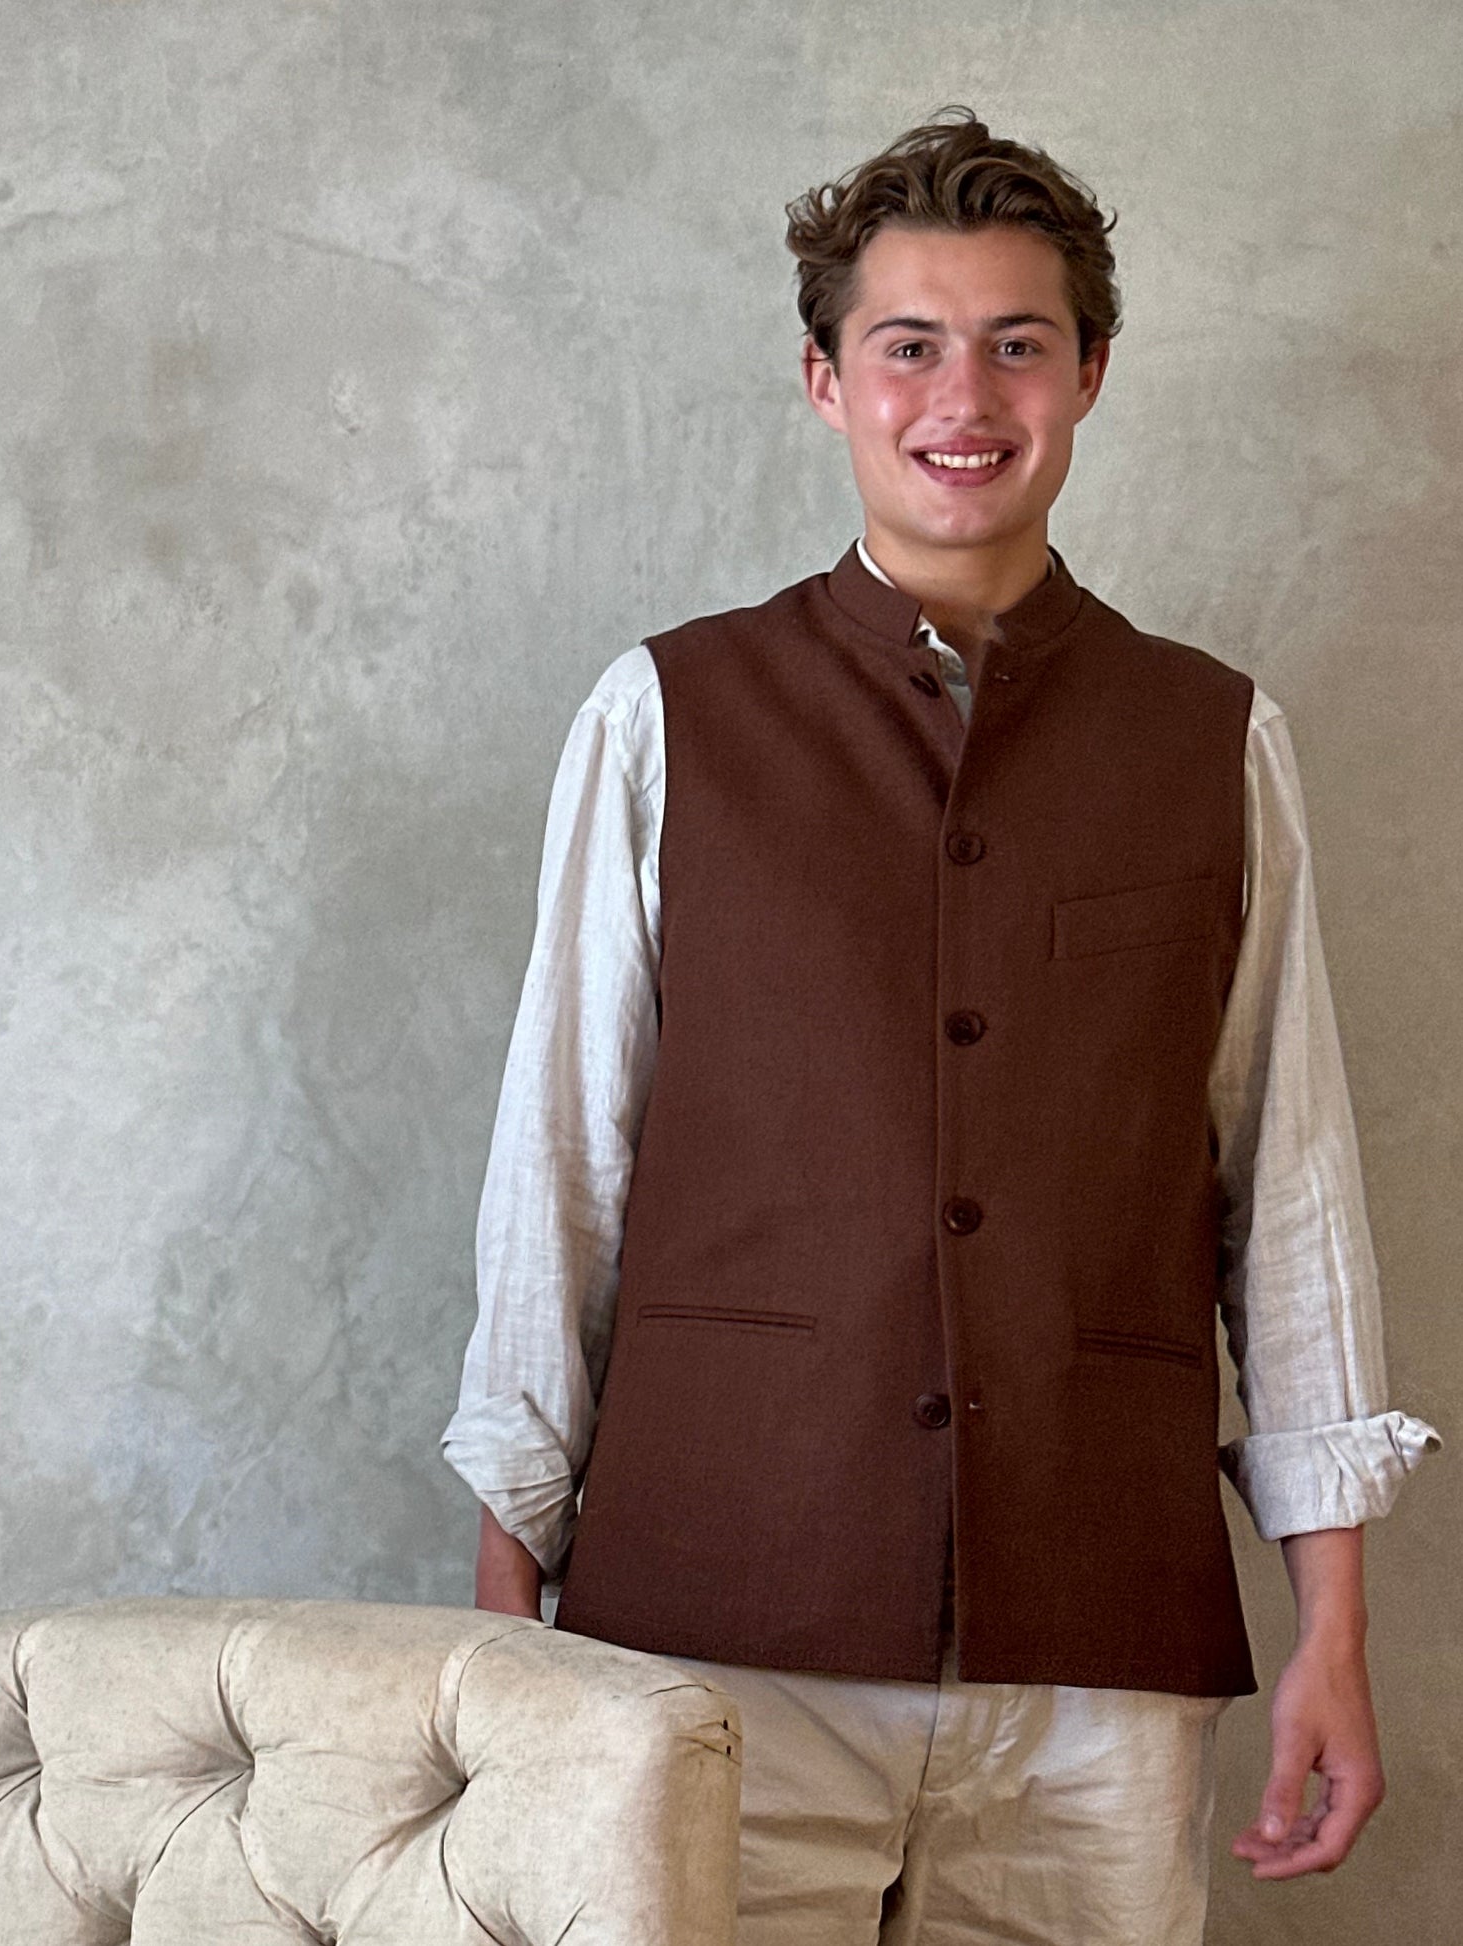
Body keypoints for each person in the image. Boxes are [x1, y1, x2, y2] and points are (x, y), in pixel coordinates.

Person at [439, 105, 1440, 1944]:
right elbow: (561, 1162)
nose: (961, 396)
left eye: (1015, 343)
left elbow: (1287, 1188)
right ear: (824, 381)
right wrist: (509, 1603)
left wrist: (1332, 1631)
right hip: (714, 1618)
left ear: (1089, 374)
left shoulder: (1211, 736)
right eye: (906, 344)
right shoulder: (666, 714)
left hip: (1097, 1644)